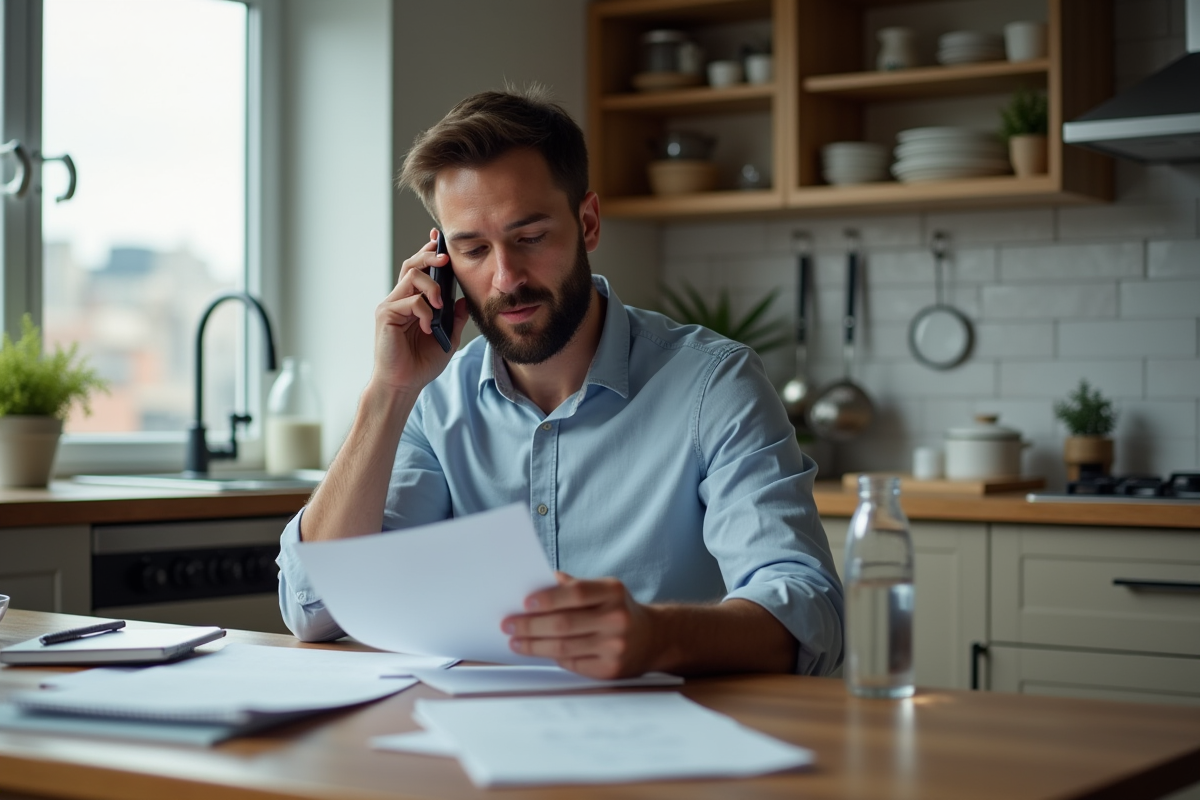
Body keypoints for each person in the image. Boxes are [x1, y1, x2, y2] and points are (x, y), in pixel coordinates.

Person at [276, 87, 843, 679]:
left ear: (588, 222)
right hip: (476, 746)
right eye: (473, 249)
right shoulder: (432, 406)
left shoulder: (713, 384)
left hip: (673, 741)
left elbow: (810, 614)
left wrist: (656, 636)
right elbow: (314, 610)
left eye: (530, 237)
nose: (505, 279)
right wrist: (387, 393)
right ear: (441, 261)